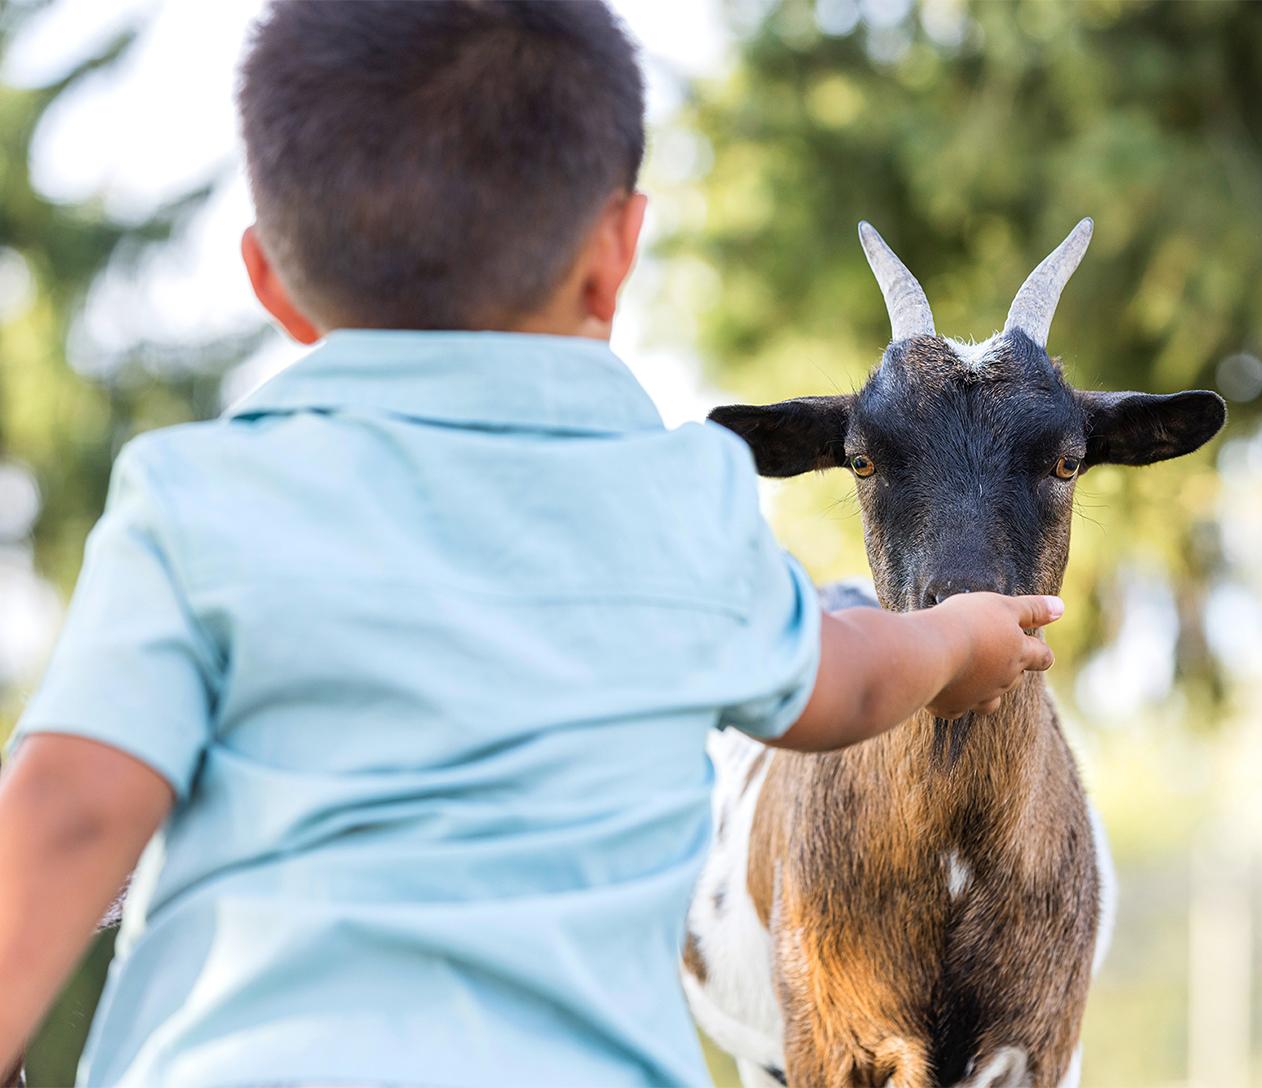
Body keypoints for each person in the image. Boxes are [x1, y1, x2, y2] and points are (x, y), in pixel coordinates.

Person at [0, 3, 1062, 1085]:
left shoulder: (194, 501)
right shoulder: (674, 498)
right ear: (615, 255)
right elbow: (844, 682)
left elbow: (68, 807)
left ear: (269, 279)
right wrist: (952, 642)